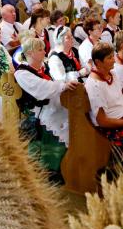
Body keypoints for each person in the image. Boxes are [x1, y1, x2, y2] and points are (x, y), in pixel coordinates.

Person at [15, 34, 78, 174]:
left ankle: (70, 164)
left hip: (53, 104)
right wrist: (63, 85)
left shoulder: (43, 66)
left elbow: (54, 83)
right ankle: (53, 167)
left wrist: (65, 85)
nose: (45, 52)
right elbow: (41, 88)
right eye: (40, 50)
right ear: (30, 53)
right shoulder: (22, 73)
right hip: (37, 111)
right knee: (61, 123)